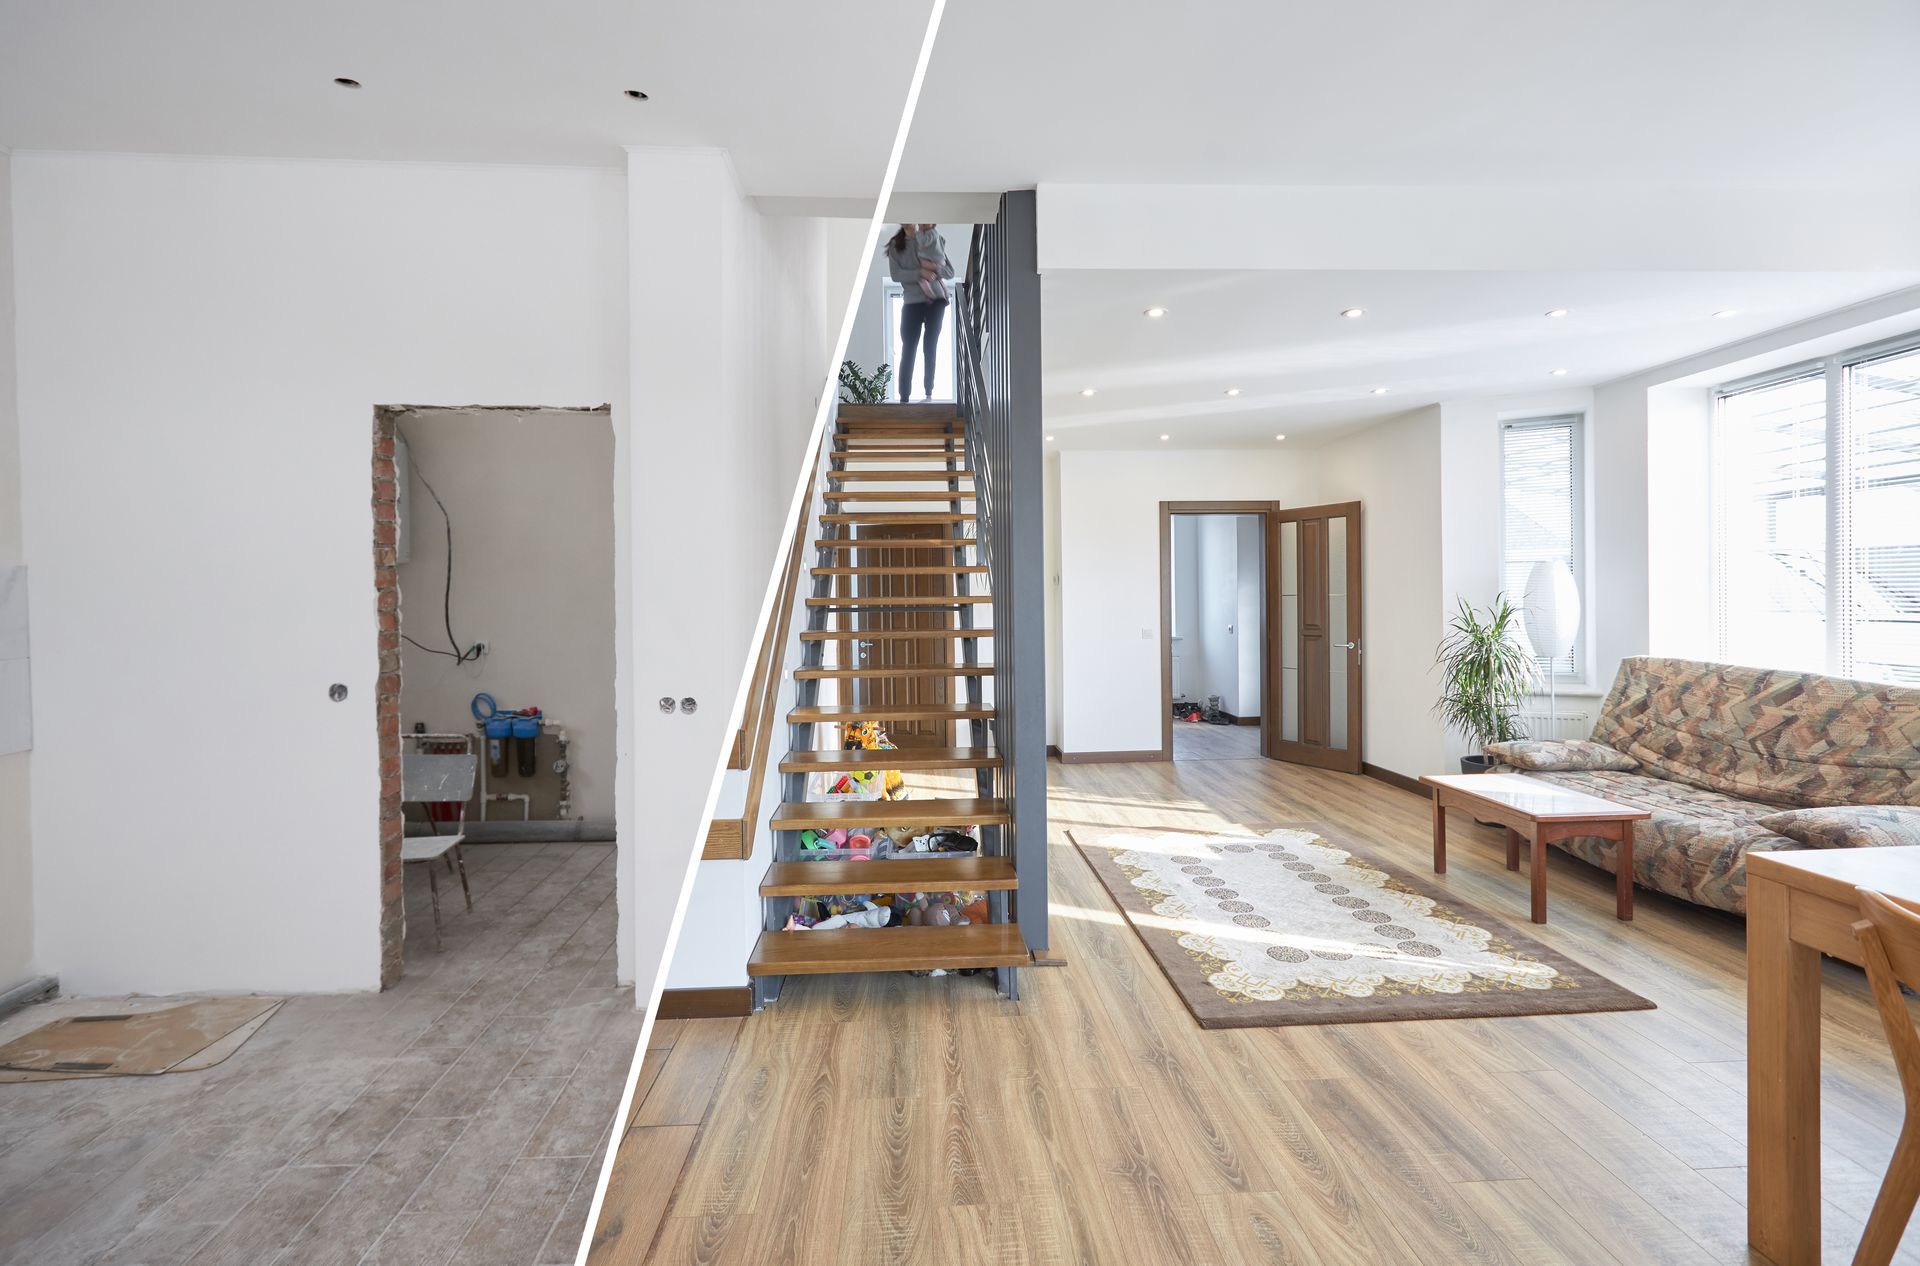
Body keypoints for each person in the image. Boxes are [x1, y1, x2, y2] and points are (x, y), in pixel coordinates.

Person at [885, 224, 954, 402]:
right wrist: (920, 273)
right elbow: (896, 275)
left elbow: (949, 272)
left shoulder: (930, 238)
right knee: (908, 349)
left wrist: (933, 270)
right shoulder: (896, 245)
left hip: (936, 301)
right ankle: (904, 398)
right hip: (911, 302)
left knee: (930, 347)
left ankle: (928, 393)